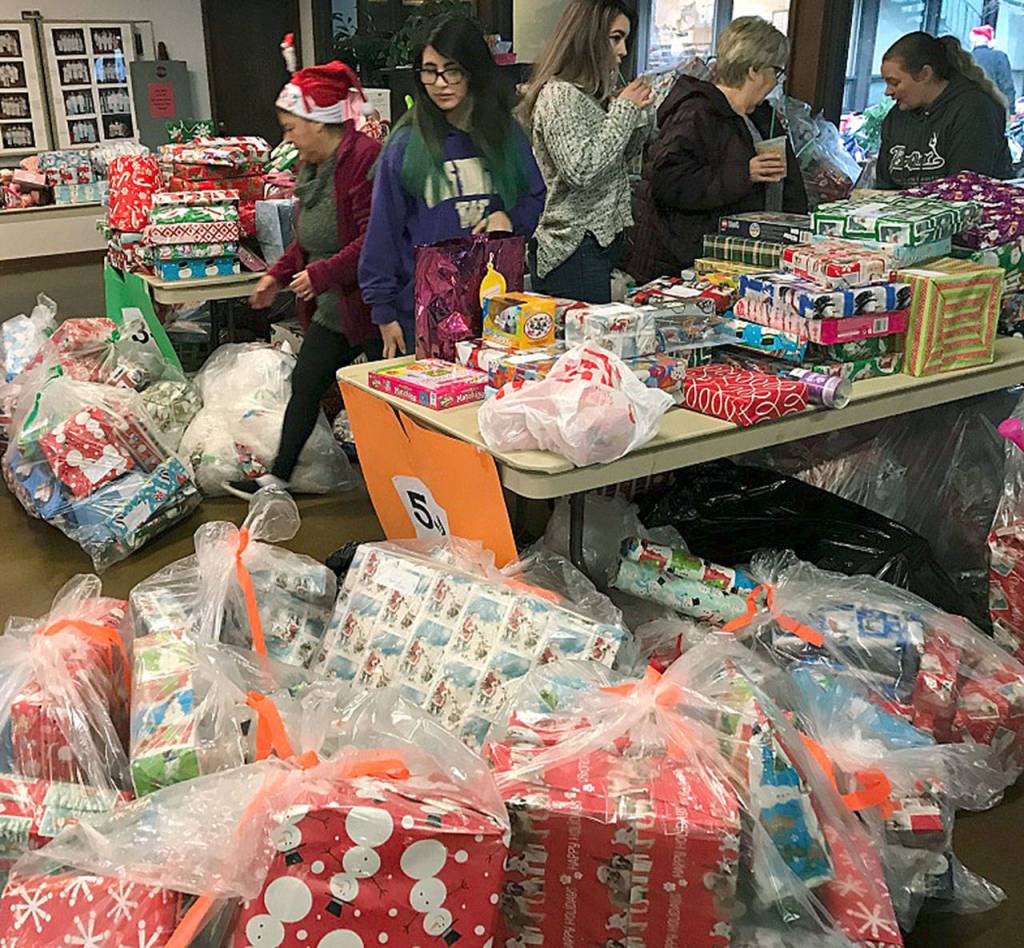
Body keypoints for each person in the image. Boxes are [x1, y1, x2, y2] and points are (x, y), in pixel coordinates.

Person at [225, 59, 380, 498]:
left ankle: (409, 480)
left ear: (318, 122)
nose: (288, 138)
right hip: (333, 305)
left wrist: (322, 273)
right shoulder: (312, 166)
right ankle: (278, 476)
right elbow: (309, 237)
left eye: (292, 128)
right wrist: (276, 275)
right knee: (307, 382)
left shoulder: (364, 160)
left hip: (373, 304)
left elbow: (374, 239)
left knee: (390, 400)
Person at [358, 15, 546, 358]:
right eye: (430, 71)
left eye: (452, 71)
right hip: (422, 315)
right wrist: (383, 311)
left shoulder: (505, 135)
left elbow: (534, 195)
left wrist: (510, 220)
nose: (440, 83)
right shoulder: (405, 145)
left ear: (474, 71)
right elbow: (382, 233)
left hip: (495, 310)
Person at [628, 16, 807, 284]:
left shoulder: (763, 117)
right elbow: (668, 182)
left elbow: (790, 186)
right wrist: (744, 173)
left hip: (753, 261)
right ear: (754, 70)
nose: (777, 81)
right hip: (692, 267)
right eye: (776, 72)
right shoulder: (696, 112)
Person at [520, 0, 655, 304]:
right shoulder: (559, 95)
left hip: (598, 244)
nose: (623, 51)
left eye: (625, 39)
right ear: (589, 38)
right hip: (572, 249)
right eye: (615, 38)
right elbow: (581, 171)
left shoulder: (591, 95)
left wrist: (641, 117)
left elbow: (618, 160)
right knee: (587, 335)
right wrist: (624, 111)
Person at [876, 31, 1012, 190]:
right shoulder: (897, 117)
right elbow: (884, 186)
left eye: (894, 83)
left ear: (925, 74)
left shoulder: (974, 110)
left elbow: (965, 188)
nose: (888, 92)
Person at [970, 24, 1016, 115]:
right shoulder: (1000, 57)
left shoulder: (966, 58)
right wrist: (1011, 111)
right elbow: (1007, 86)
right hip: (993, 109)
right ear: (990, 40)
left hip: (969, 108)